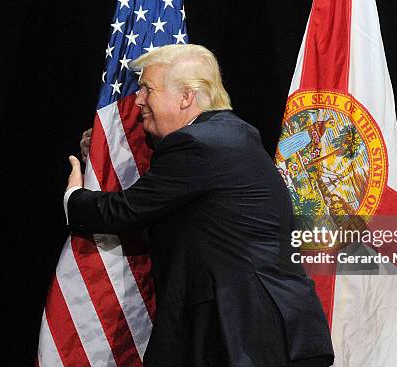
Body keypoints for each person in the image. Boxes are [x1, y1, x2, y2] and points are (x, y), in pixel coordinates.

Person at [66, 44, 334, 367]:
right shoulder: (228, 137)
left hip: (244, 338)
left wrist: (74, 197)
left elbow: (125, 210)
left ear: (186, 97)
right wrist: (98, 155)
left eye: (147, 89)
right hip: (271, 333)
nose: (137, 100)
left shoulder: (197, 145)